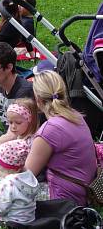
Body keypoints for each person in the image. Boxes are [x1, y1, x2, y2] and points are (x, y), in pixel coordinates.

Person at [25, 71, 97, 206]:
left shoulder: (49, 129)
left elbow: (25, 177)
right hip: (83, 191)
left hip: (63, 198)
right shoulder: (75, 115)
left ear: (38, 99)